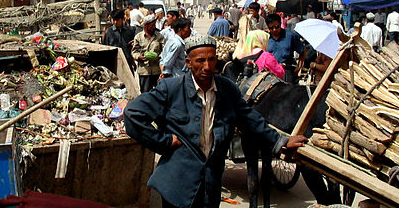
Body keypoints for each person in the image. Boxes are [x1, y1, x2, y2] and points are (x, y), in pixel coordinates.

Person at [124, 35, 307, 208]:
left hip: (210, 185)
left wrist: (280, 140)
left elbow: (249, 118)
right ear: (188, 63)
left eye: (211, 60)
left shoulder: (226, 89)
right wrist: (163, 141)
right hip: (178, 184)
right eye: (200, 61)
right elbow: (133, 114)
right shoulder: (171, 89)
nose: (207, 66)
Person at [266, 13, 306, 83]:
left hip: (286, 72)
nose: (274, 30)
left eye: (277, 27)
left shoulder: (290, 36)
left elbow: (303, 51)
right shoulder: (266, 37)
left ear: (280, 24)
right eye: (271, 28)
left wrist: (299, 67)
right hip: (269, 73)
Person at [132, 15, 165, 93]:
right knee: (145, 93)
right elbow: (134, 51)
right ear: (146, 25)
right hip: (144, 71)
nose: (154, 27)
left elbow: (164, 50)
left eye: (154, 24)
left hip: (156, 70)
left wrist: (158, 57)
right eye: (152, 25)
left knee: (159, 93)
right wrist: (138, 57)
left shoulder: (159, 36)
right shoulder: (138, 37)